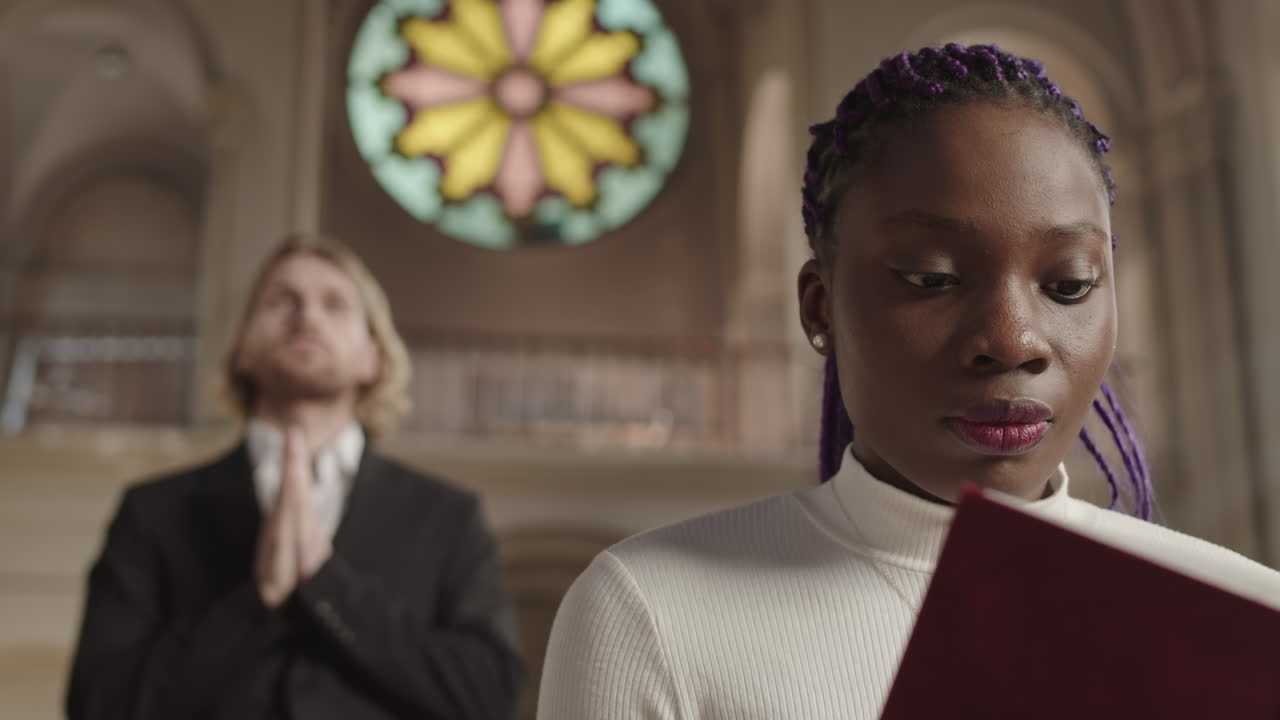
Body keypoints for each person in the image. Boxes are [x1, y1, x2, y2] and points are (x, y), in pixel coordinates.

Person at [537, 44, 1280, 719]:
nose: (1013, 341)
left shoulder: (1244, 616)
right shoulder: (651, 615)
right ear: (819, 306)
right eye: (932, 278)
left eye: (1069, 284)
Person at [66, 234, 524, 719]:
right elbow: (99, 706)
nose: (308, 317)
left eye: (335, 304)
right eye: (281, 300)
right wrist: (257, 600)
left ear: (373, 355)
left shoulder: (446, 517)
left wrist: (324, 586)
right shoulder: (154, 511)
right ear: (241, 346)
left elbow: (490, 695)